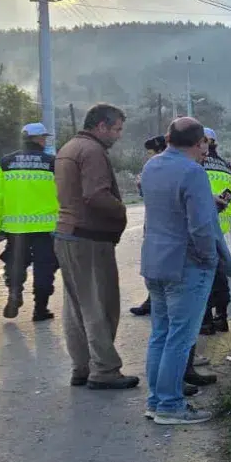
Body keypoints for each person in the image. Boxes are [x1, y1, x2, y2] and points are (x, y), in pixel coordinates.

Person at [140, 117, 231, 424]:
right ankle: (171, 405)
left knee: (161, 334)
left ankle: (156, 400)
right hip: (186, 265)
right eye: (204, 147)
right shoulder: (193, 172)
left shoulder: (152, 166)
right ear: (199, 144)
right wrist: (211, 260)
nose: (204, 153)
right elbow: (199, 226)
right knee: (180, 338)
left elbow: (169, 206)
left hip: (155, 261)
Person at [54, 103, 137, 390]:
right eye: (116, 129)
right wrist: (121, 210)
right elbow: (96, 195)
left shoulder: (69, 148)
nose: (118, 135)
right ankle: (104, 369)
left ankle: (83, 366)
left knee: (76, 307)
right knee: (101, 304)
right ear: (101, 126)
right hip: (88, 237)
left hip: (67, 235)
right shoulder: (92, 151)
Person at [0, 122, 59, 322]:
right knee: (45, 267)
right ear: (37, 139)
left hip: (15, 228)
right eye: (43, 137)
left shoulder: (5, 163)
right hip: (46, 228)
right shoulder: (53, 162)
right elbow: (64, 195)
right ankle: (40, 309)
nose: (45, 141)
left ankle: (14, 293)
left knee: (15, 263)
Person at [200, 127, 231, 337]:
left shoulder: (195, 165)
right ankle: (221, 317)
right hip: (221, 229)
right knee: (220, 273)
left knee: (201, 277)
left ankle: (205, 321)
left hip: (200, 230)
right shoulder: (226, 167)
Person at [129, 134, 167, 318]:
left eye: (151, 153)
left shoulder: (164, 168)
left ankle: (158, 302)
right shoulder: (154, 168)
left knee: (161, 264)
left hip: (163, 227)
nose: (148, 157)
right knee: (153, 265)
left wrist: (142, 185)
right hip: (153, 224)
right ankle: (153, 300)